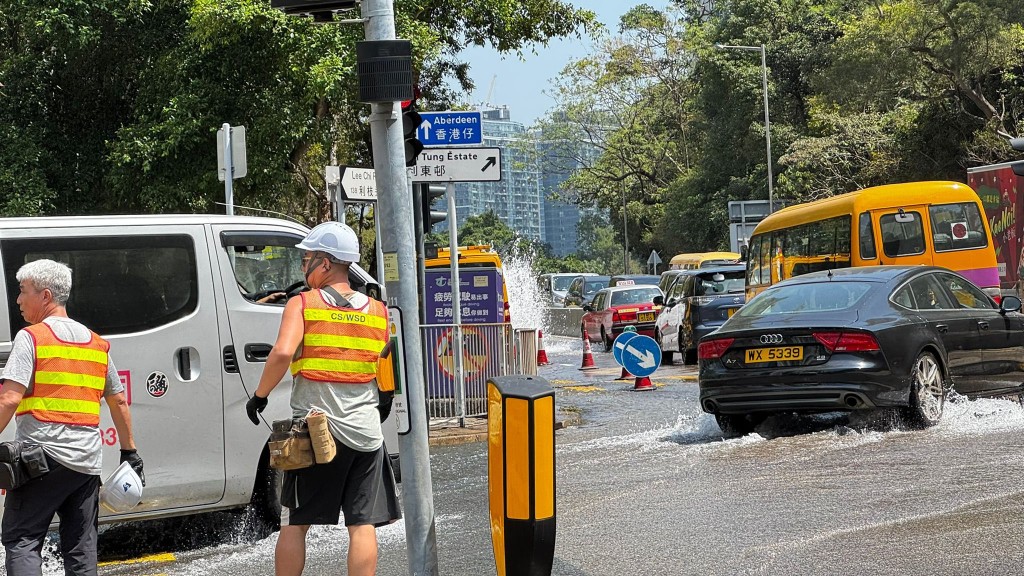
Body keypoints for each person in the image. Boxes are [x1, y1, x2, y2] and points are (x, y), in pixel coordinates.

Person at [245, 222, 400, 576]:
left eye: (307, 259)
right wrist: (385, 398)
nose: (304, 267)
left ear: (326, 263)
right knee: (362, 525)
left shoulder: (303, 304)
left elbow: (283, 353)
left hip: (315, 435)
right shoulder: (378, 312)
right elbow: (388, 366)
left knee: (294, 524)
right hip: (365, 434)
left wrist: (260, 396)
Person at [0, 259, 144, 576]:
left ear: (46, 296)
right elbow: (118, 400)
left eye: (23, 291)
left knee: (22, 541)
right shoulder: (97, 343)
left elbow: (9, 397)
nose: (18, 300)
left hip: (40, 460)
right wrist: (129, 451)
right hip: (85, 464)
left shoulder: (32, 337)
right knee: (80, 551)